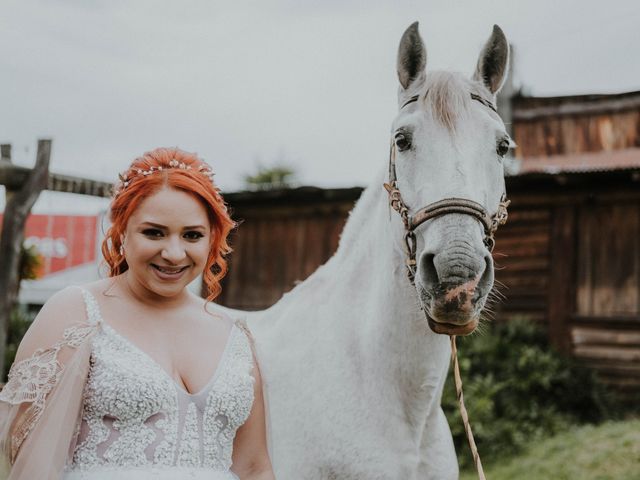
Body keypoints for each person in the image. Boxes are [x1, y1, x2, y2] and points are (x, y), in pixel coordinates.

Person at [0, 147, 275, 480]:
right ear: (122, 230)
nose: (174, 253)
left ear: (212, 238)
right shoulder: (77, 312)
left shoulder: (236, 335)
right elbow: (32, 459)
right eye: (154, 232)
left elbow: (253, 467)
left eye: (192, 235)